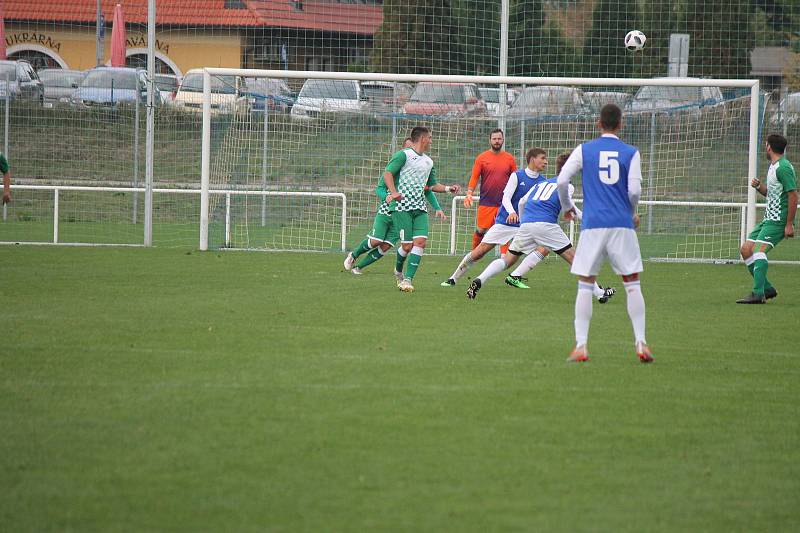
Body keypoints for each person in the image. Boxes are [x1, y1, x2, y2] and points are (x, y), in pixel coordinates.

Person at [557, 103, 653, 363]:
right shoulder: (631, 152)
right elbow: (634, 191)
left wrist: (567, 208)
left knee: (586, 284)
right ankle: (641, 342)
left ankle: (581, 346)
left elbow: (562, 180)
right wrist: (631, 212)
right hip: (621, 224)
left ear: (599, 124)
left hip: (593, 224)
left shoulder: (584, 150)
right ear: (621, 124)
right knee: (632, 284)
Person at [466, 155, 615, 304]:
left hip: (526, 225)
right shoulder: (567, 185)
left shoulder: (541, 184)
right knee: (575, 259)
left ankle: (480, 279)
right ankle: (600, 294)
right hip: (546, 225)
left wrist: (524, 221)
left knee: (507, 260)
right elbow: (570, 208)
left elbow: (523, 202)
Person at [344, 138, 453, 277]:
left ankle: (358, 267)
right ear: (403, 150)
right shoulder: (395, 167)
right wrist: (387, 197)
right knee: (377, 240)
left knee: (386, 246)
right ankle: (353, 255)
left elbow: (427, 189)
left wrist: (438, 207)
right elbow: (379, 189)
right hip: (387, 211)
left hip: (404, 213)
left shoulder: (418, 169)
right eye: (407, 149)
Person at [442, 148, 550, 287]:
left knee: (545, 246)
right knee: (480, 252)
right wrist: (511, 212)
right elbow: (506, 197)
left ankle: (515, 277)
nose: (546, 161)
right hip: (506, 222)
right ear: (532, 159)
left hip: (526, 226)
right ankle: (453, 278)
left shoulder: (543, 182)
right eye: (542, 158)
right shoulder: (517, 176)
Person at [383, 126, 460, 292]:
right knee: (406, 247)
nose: (431, 141)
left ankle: (408, 279)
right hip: (401, 207)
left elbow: (432, 185)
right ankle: (398, 270)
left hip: (419, 207)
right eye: (430, 138)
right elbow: (387, 174)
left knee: (421, 242)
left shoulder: (429, 162)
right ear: (422, 139)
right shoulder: (403, 155)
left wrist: (448, 188)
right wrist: (394, 193)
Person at [737, 134, 797, 304]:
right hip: (768, 219)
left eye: (766, 145)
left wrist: (789, 224)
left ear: (769, 147)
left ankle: (758, 294)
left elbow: (793, 195)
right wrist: (759, 187)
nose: (765, 147)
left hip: (778, 221)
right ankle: (767, 289)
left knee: (759, 252)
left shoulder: (783, 168)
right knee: (746, 250)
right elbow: (771, 195)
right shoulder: (773, 166)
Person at [464, 129, 518, 251]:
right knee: (481, 230)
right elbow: (474, 177)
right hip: (487, 201)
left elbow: (515, 178)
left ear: (503, 140)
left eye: (499, 139)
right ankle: (473, 254)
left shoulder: (509, 158)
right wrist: (469, 193)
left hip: (505, 202)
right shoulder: (482, 158)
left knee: (504, 230)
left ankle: (504, 258)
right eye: (494, 139)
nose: (497, 141)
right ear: (490, 140)